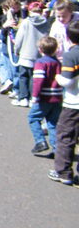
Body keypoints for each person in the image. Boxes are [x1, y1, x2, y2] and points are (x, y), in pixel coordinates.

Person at [50, 20, 79, 185]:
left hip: (74, 103)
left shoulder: (71, 55)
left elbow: (68, 82)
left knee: (65, 137)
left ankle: (63, 172)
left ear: (68, 38)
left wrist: (57, 78)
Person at [12, 0, 49, 107]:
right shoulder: (46, 22)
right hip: (39, 55)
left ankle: (23, 98)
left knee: (23, 76)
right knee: (35, 77)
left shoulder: (26, 22)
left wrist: (16, 50)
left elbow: (19, 38)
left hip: (25, 54)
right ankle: (34, 97)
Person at [29, 36, 62, 156]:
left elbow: (38, 81)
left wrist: (35, 96)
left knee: (33, 118)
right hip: (57, 97)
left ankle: (40, 141)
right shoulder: (57, 62)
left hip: (44, 97)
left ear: (40, 50)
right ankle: (56, 149)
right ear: (55, 50)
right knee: (53, 123)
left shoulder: (40, 63)